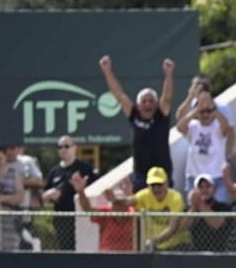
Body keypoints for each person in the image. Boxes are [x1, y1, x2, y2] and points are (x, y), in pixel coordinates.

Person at [99, 55, 175, 190]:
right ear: (138, 106)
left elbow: (167, 97)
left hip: (162, 173)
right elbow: (118, 93)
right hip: (141, 174)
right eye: (144, 101)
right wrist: (107, 70)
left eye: (151, 101)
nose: (148, 104)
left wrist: (168, 74)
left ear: (157, 105)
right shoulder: (134, 115)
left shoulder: (161, 116)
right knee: (140, 210)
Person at [42, 136, 97, 251]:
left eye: (66, 146)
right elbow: (43, 196)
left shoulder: (85, 168)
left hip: (81, 216)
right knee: (65, 250)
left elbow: (96, 188)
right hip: (61, 218)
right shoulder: (54, 171)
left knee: (83, 250)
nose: (63, 149)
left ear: (74, 148)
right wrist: (49, 194)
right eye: (59, 147)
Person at [135, 166, 187, 252]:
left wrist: (153, 241)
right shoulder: (144, 195)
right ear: (148, 186)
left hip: (177, 247)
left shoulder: (176, 198)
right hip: (154, 247)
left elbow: (172, 228)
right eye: (153, 185)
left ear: (166, 183)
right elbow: (128, 201)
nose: (156, 188)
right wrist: (115, 200)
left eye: (159, 184)